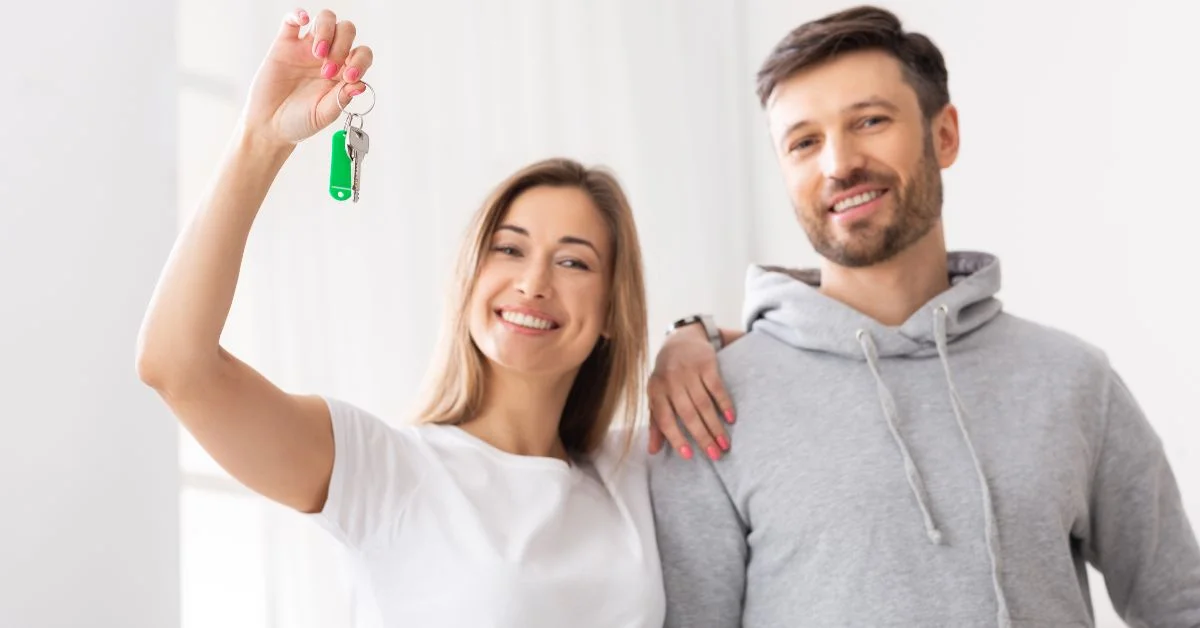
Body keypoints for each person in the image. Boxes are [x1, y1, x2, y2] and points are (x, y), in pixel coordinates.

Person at [135, 8, 715, 627]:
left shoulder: (630, 471)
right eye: (510, 248)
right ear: (469, 280)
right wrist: (261, 138)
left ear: (610, 311)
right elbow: (176, 364)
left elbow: (813, 313)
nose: (533, 282)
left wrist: (693, 333)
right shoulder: (385, 471)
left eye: (574, 262)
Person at [645, 5, 1200, 627]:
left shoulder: (1073, 381)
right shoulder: (709, 403)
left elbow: (1179, 602)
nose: (838, 164)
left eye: (870, 121)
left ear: (944, 135)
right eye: (804, 142)